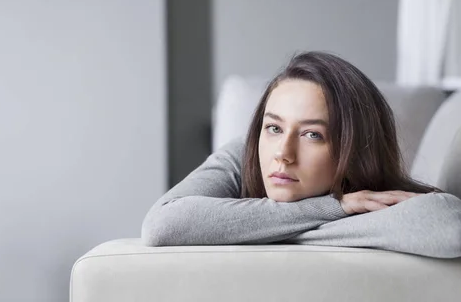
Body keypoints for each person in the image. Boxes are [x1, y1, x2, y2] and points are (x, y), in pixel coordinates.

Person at [141, 51, 461, 258]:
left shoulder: (377, 201)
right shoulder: (243, 154)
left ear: (353, 153)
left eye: (312, 135)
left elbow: (446, 227)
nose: (283, 153)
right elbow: (164, 224)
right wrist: (334, 207)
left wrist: (264, 229)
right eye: (274, 128)